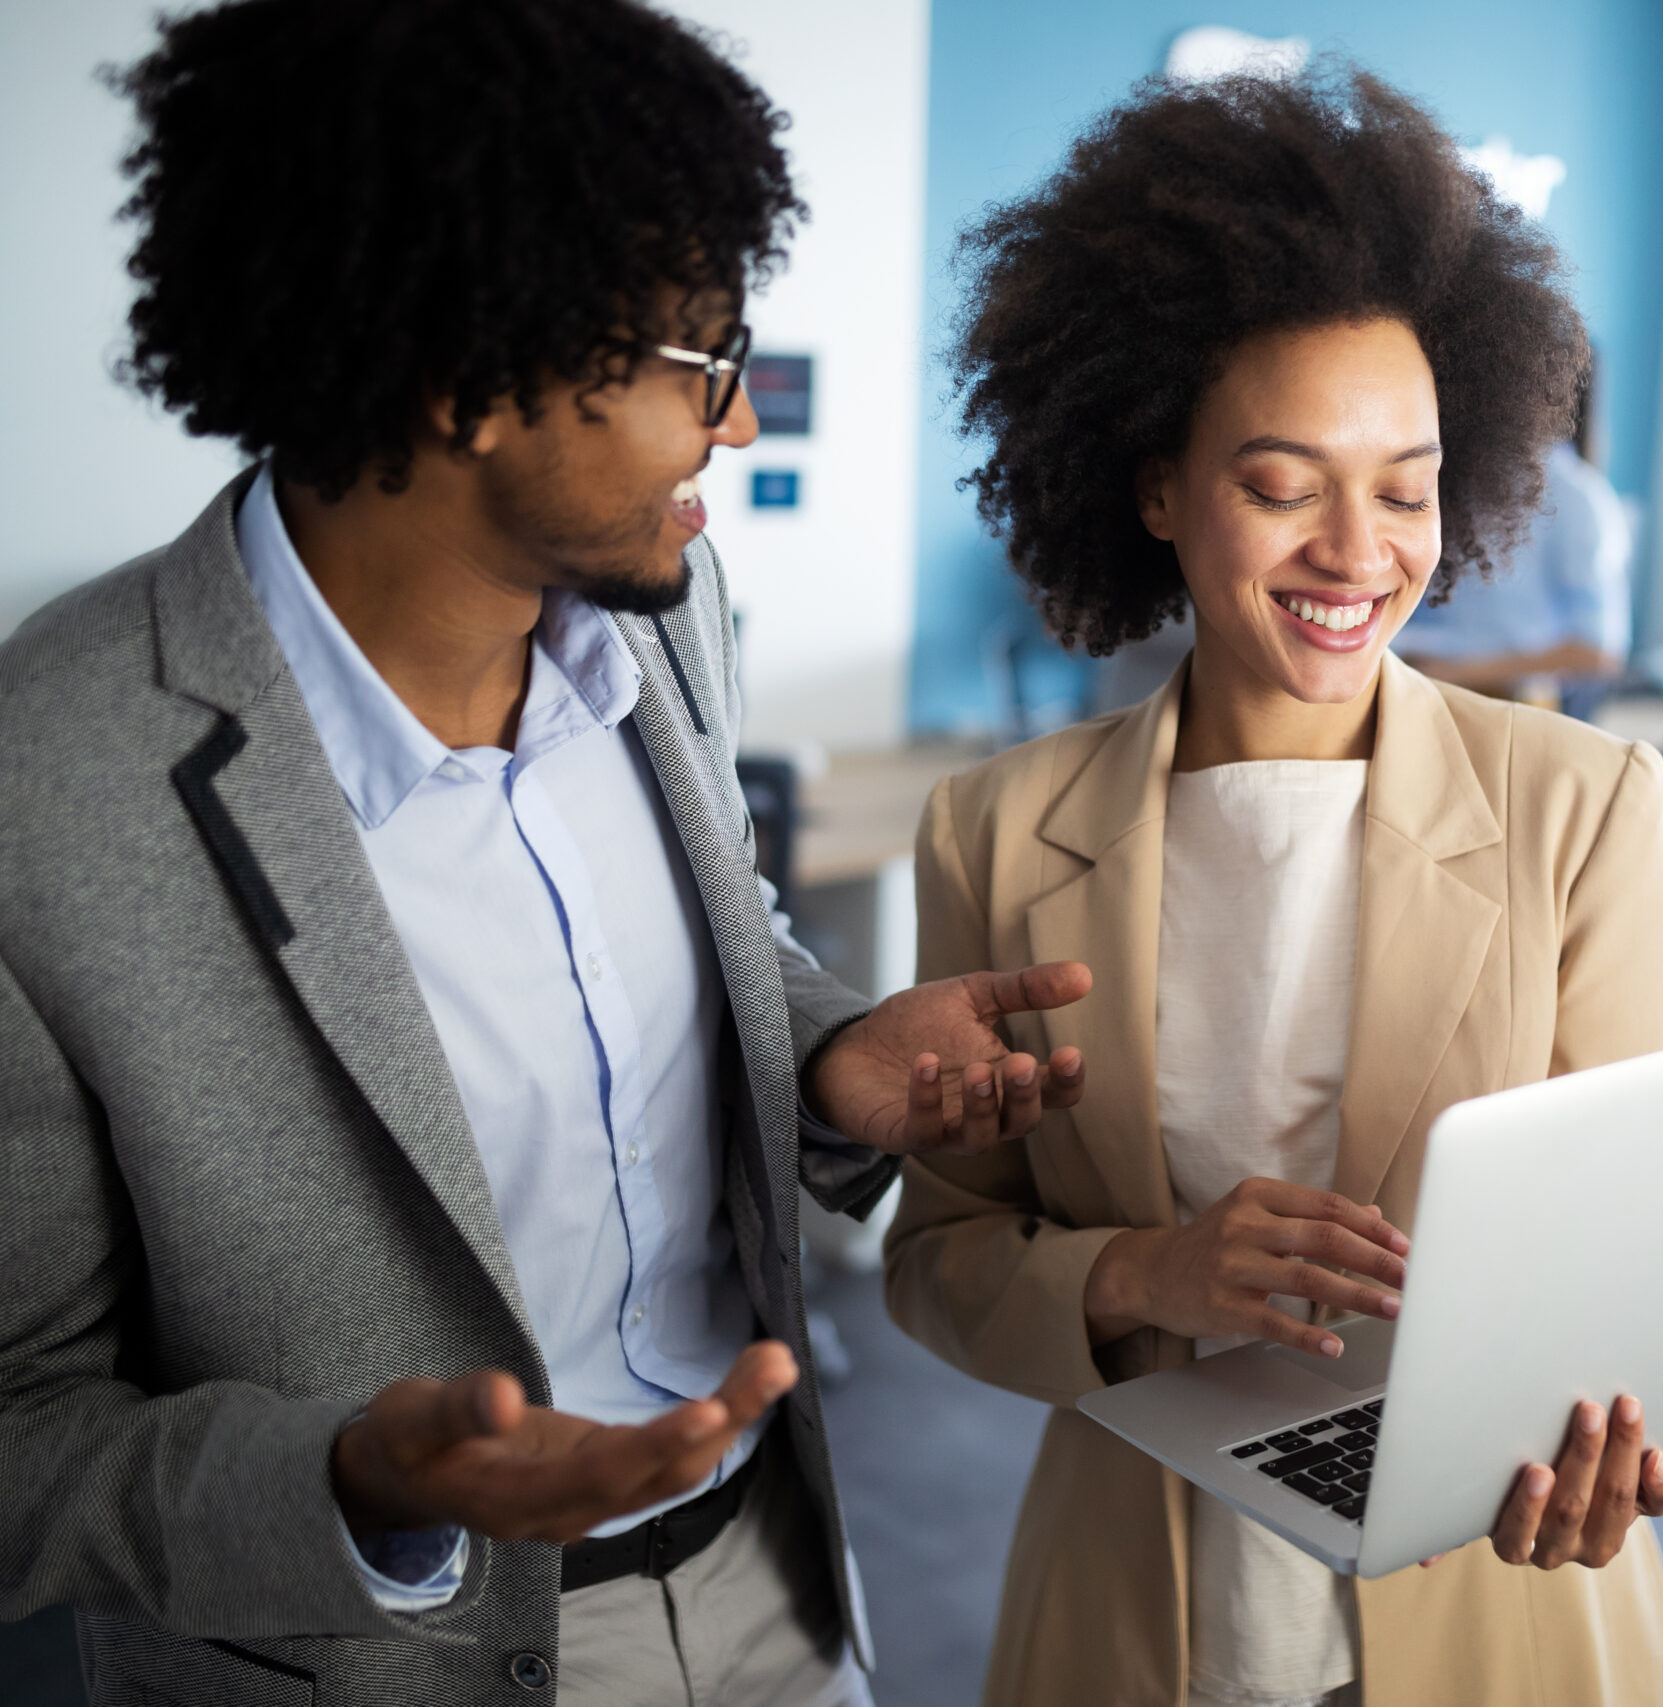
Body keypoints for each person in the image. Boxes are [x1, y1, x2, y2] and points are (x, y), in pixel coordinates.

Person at [0, 3, 1089, 1703]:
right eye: (699, 361)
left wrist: (834, 1056)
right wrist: (360, 1482)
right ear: (468, 375)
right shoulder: (48, 780)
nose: (734, 425)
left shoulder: (671, 617)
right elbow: (19, 1430)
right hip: (377, 1657)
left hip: (775, 1585)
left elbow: (717, 963)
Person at [885, 69, 1663, 1707]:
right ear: (1154, 485)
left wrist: (1624, 1424)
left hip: (1496, 1603)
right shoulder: (993, 827)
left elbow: (1652, 1254)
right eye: (1281, 481)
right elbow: (941, 1254)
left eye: (1404, 484)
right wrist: (1139, 1276)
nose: (1359, 550)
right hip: (1141, 1615)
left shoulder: (1582, 803)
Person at [1394, 367, 1633, 719]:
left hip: (1505, 704)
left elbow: (1600, 651)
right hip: (1407, 684)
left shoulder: (1577, 498)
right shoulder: (1441, 473)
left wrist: (1458, 671)